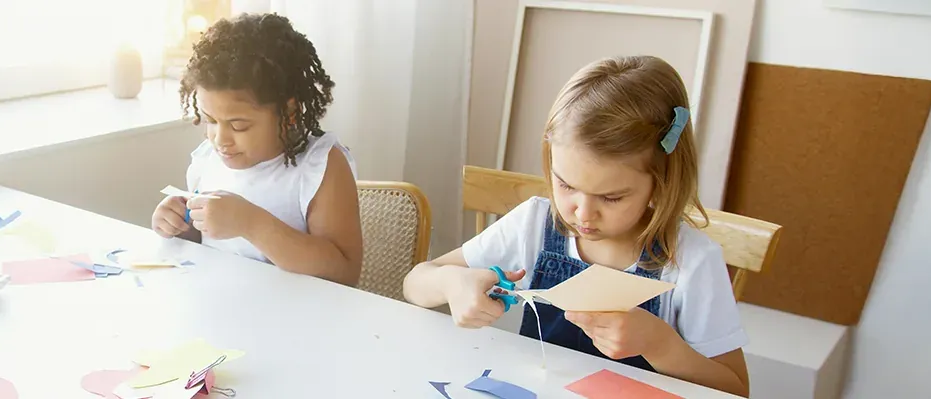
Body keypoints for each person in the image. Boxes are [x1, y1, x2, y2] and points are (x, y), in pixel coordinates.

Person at [400, 56, 750, 396]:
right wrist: (451, 284)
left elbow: (734, 388)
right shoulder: (533, 224)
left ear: (663, 182)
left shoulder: (691, 261)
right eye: (565, 185)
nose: (583, 213)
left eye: (611, 198)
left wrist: (660, 345)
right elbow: (414, 283)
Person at [150, 13, 363, 287]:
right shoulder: (209, 160)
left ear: (289, 113)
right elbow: (210, 245)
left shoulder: (320, 167)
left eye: (238, 125)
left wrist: (250, 223)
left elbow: (344, 273)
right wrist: (181, 224)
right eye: (210, 120)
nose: (220, 139)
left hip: (296, 310)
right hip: (221, 301)